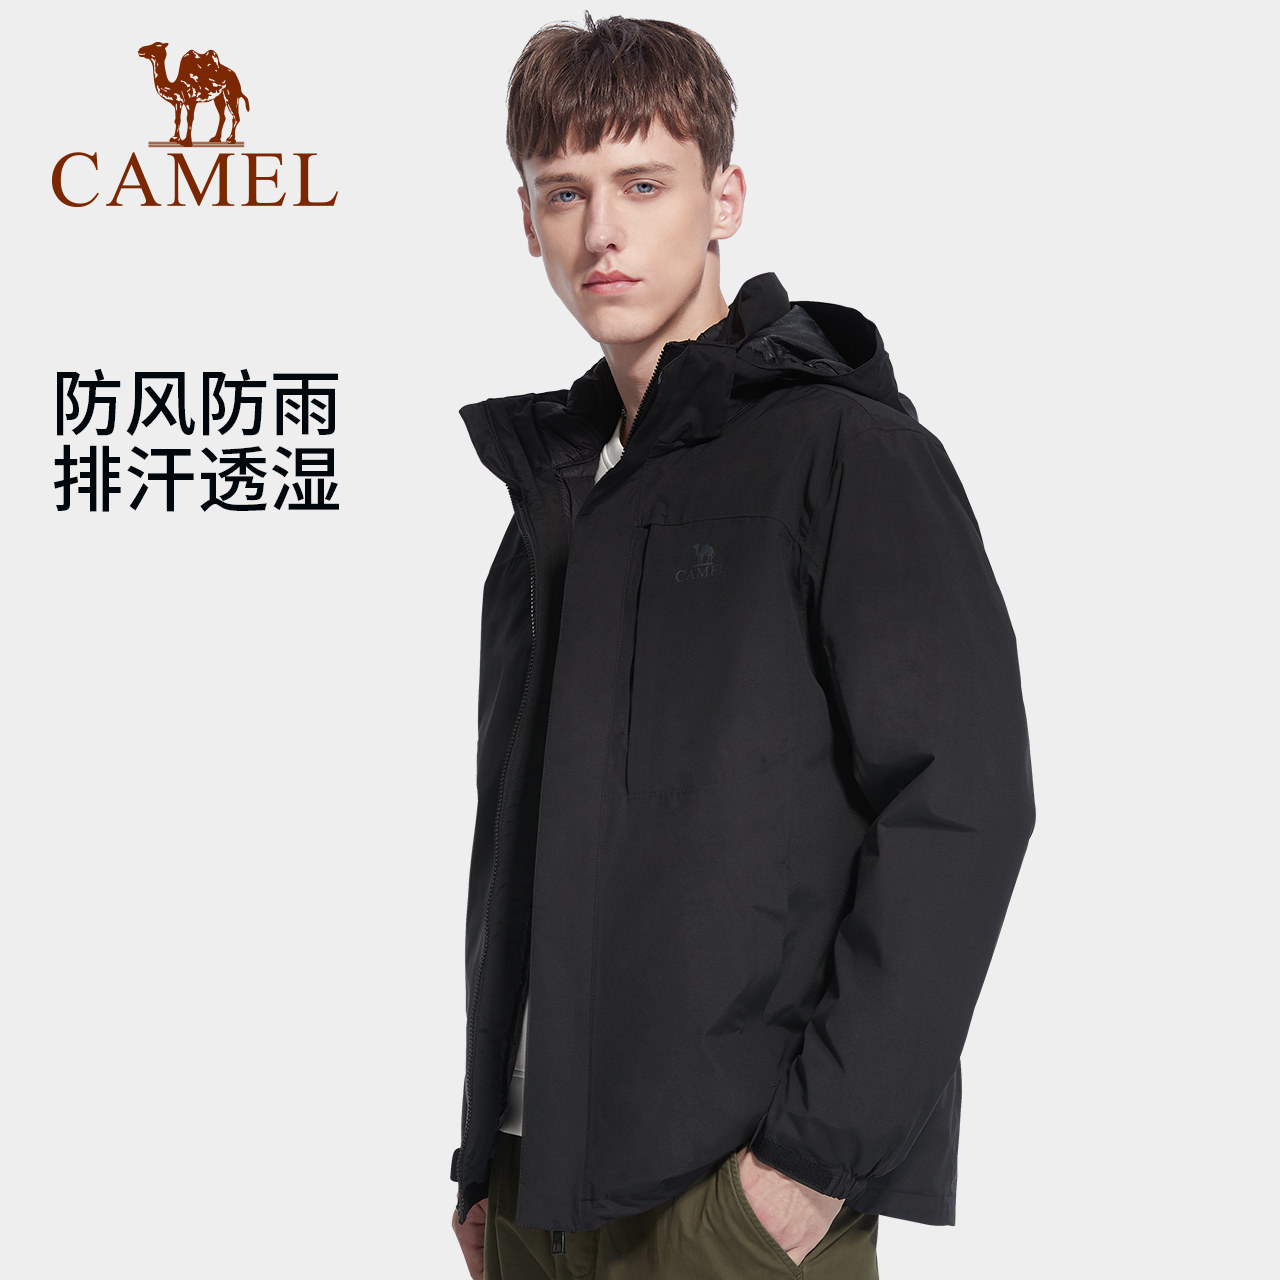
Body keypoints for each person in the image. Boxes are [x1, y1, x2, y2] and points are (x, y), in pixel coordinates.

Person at [449, 13, 1036, 1279]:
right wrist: (479, 1152)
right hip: (533, 1185)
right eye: (564, 192)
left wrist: (814, 1159)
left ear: (724, 198)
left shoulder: (843, 455)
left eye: (642, 184)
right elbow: (521, 844)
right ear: (527, 220)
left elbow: (962, 802)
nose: (600, 233)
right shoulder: (554, 504)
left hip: (732, 1196)